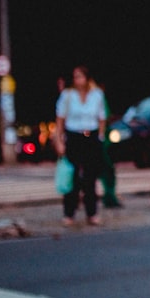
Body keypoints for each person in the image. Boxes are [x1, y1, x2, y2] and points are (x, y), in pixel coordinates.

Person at [54, 66, 108, 226]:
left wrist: (100, 136)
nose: (78, 80)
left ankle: (92, 213)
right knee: (73, 176)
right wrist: (59, 140)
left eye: (80, 77)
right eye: (75, 77)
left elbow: (102, 116)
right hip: (74, 136)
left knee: (90, 177)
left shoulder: (96, 94)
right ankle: (69, 213)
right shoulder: (68, 96)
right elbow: (60, 119)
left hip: (90, 136)